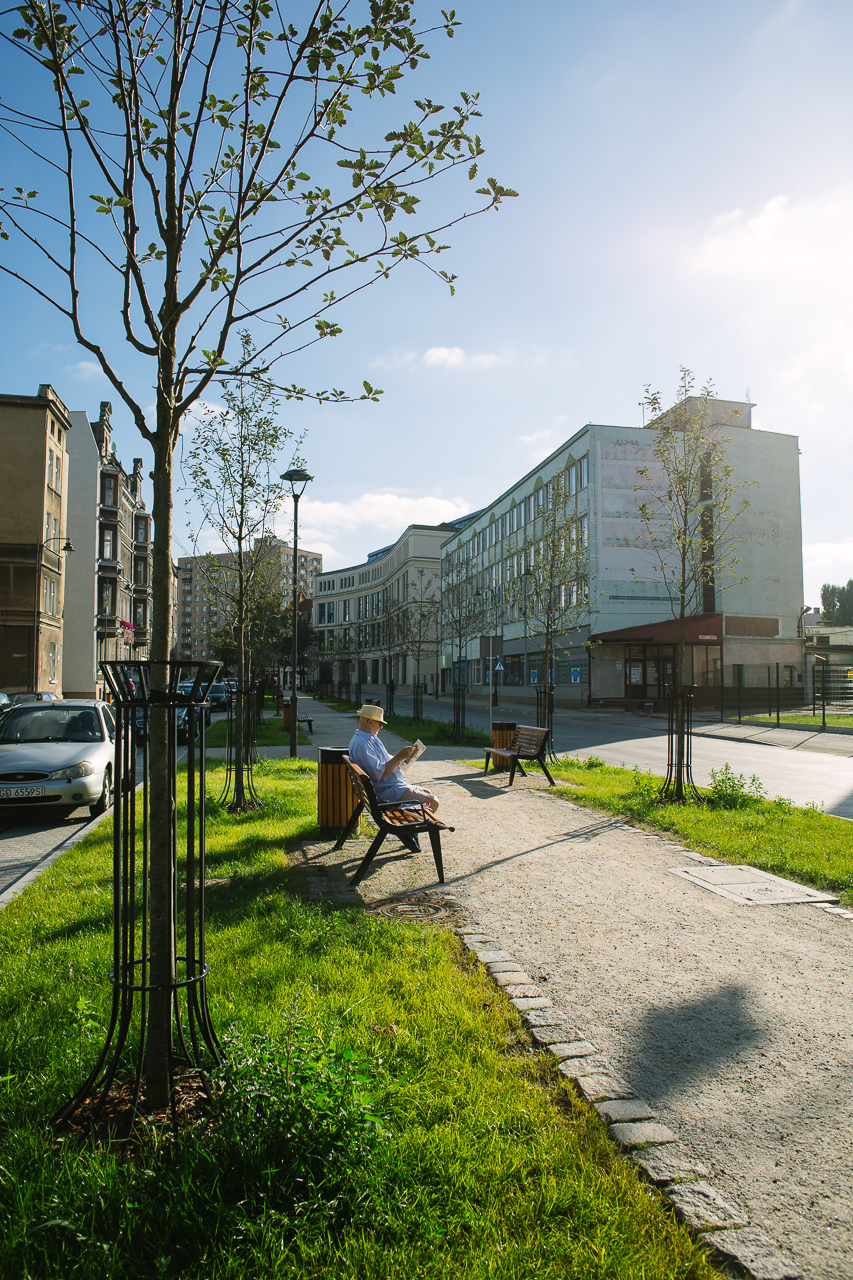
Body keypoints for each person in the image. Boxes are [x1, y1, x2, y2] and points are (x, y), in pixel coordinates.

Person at [348, 704, 438, 851]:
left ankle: (409, 830)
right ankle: (408, 830)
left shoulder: (368, 739)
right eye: (379, 723)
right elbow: (379, 773)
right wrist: (399, 757)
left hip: (391, 788)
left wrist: (404, 758)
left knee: (427, 793)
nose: (381, 727)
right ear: (370, 722)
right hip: (388, 793)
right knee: (433, 802)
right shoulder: (362, 745)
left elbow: (384, 762)